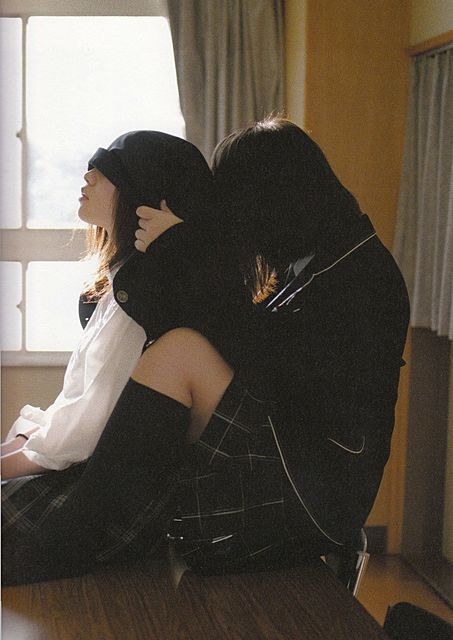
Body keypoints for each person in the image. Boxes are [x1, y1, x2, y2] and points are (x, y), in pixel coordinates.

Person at [2, 118, 409, 586]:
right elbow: (245, 345)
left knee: (180, 352)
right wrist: (177, 258)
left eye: (236, 202)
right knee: (180, 349)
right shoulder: (323, 260)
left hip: (314, 487)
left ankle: (71, 537)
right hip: (301, 463)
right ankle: (78, 530)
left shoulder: (360, 275)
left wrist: (184, 249)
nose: (230, 219)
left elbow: (271, 368)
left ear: (275, 196)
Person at [1, 129, 214, 482]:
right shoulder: (120, 282)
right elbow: (70, 416)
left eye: (107, 170)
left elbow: (85, 432)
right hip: (76, 466)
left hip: (91, 480)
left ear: (141, 194)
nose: (88, 176)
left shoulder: (144, 298)